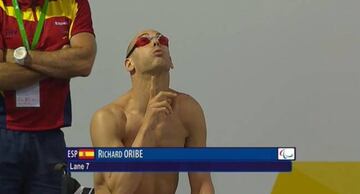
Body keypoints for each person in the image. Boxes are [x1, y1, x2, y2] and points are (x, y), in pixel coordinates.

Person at [90, 29, 214, 194]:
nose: (156, 43)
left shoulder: (188, 110)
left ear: (171, 61)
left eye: (163, 40)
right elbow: (119, 189)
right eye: (144, 41)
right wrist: (147, 126)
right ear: (129, 64)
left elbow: (201, 182)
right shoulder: (108, 118)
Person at [0, 0, 96, 193]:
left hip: (50, 138)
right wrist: (59, 63)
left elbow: (84, 62)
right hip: (4, 133)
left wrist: (20, 57)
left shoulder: (74, 3)